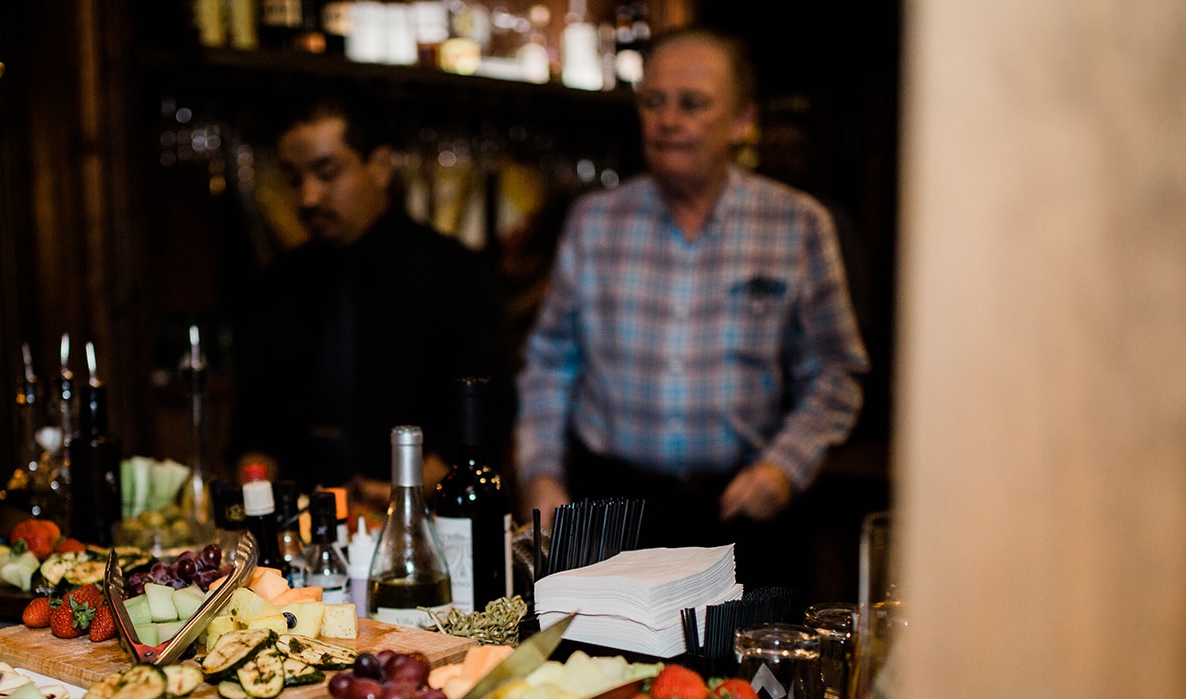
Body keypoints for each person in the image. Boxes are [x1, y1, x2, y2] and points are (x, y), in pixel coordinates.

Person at [513, 26, 867, 589]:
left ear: (742, 120)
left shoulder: (796, 225)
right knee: (605, 676)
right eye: (654, 101)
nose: (669, 120)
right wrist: (540, 476)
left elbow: (834, 372)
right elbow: (550, 363)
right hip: (611, 515)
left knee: (741, 679)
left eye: (693, 104)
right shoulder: (595, 222)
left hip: (744, 512)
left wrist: (783, 468)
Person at [228, 93, 509, 506]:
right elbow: (253, 428)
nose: (308, 198)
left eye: (326, 173)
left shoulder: (454, 273)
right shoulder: (277, 284)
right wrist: (257, 504)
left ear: (379, 167)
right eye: (294, 178)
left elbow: (485, 416)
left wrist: (406, 498)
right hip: (300, 533)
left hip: (425, 524)